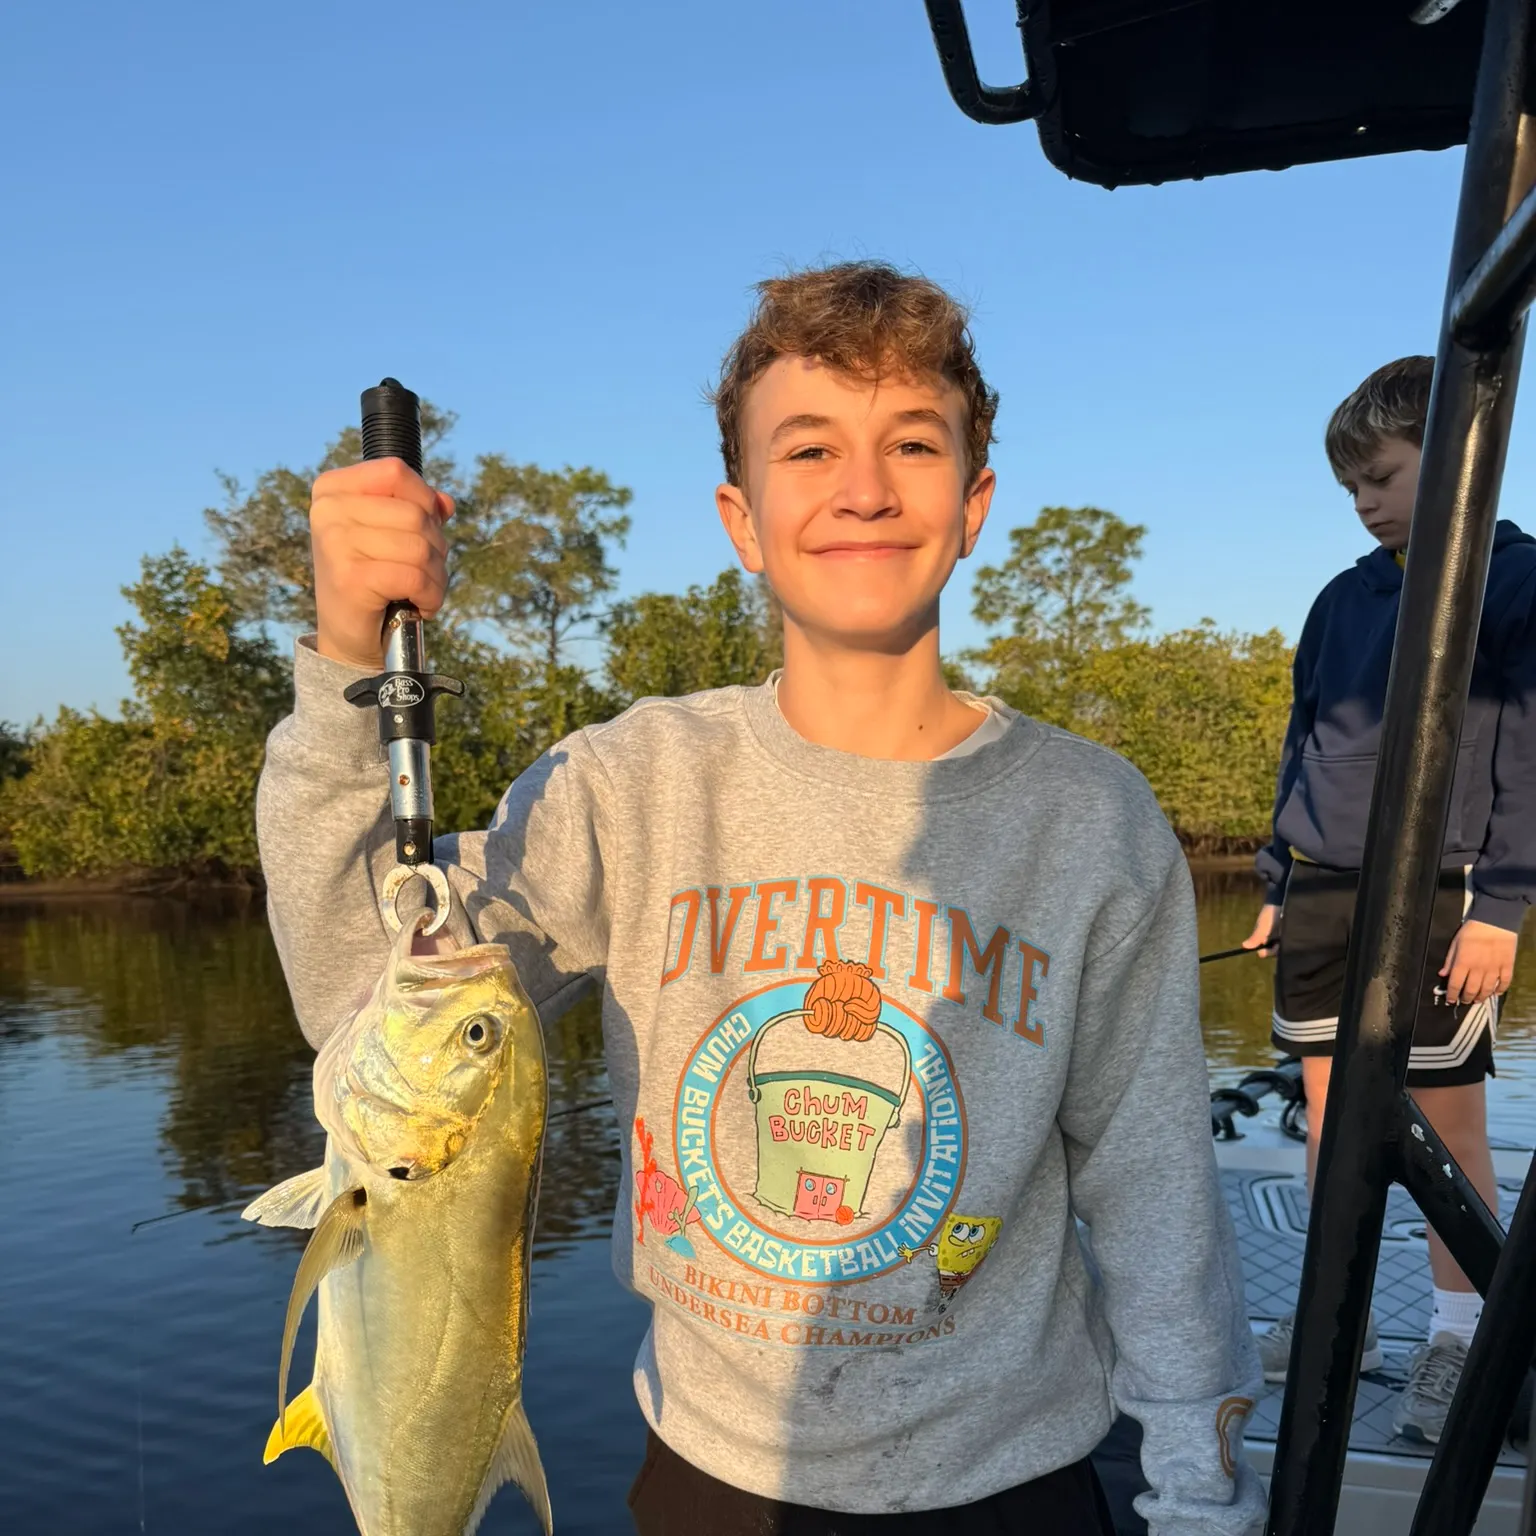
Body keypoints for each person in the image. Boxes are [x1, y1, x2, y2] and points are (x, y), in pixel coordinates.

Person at [259, 261, 1265, 1534]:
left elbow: (1155, 1186)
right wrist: (348, 657)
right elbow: (362, 997)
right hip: (709, 1481)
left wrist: (1196, 1486)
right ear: (740, 518)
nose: (863, 489)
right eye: (808, 449)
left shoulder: (1093, 820)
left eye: (912, 442)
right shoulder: (629, 783)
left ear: (975, 503)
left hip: (1017, 1481)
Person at [1246, 355, 1536, 1443]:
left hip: (1446, 892)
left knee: (1447, 1123)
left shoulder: (1516, 583)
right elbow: (1304, 745)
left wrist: (1502, 907)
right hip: (1322, 893)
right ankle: (1344, 1318)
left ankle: (1459, 1344)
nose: (1364, 502)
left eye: (1382, 475)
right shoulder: (1340, 599)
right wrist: (1276, 882)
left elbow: (1531, 762)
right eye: (1350, 487)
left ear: (1462, 458)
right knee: (1330, 1118)